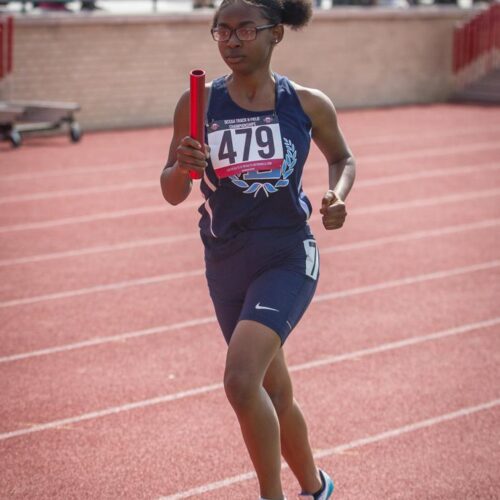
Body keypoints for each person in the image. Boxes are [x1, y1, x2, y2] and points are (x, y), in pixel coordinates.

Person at [160, 0, 355, 498]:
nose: (231, 40)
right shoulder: (197, 102)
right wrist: (182, 166)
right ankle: (317, 487)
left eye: (245, 30)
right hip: (224, 260)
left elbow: (342, 158)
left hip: (286, 255)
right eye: (221, 30)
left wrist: (337, 196)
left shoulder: (307, 103)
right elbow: (172, 190)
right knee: (274, 391)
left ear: (277, 35)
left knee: (241, 381)